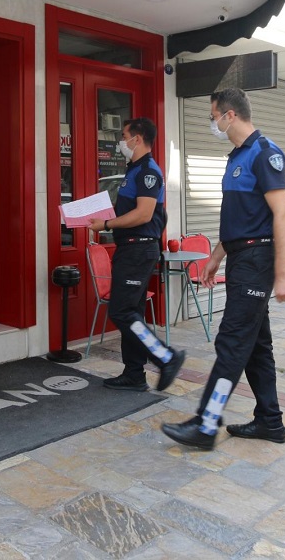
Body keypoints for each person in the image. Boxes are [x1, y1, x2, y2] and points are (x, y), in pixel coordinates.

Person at [161, 87, 285, 450]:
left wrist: (282, 273)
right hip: (240, 258)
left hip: (257, 262)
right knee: (256, 346)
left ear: (229, 115)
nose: (212, 123)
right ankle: (270, 421)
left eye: (212, 116)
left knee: (232, 342)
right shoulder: (237, 157)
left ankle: (206, 424)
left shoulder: (264, 155)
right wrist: (216, 256)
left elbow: (281, 214)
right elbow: (241, 221)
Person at [87, 117, 185, 393]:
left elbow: (143, 214)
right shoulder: (133, 171)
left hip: (139, 249)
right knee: (132, 312)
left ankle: (166, 357)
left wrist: (106, 225)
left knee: (122, 311)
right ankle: (134, 374)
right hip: (130, 248)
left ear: (137, 139)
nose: (121, 141)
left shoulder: (148, 171)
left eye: (124, 135)